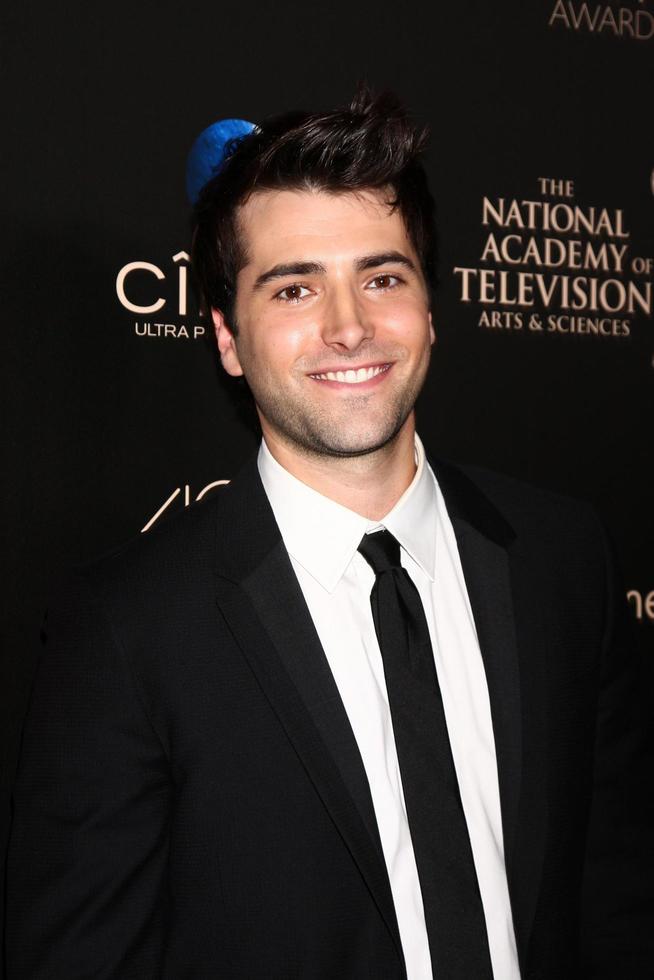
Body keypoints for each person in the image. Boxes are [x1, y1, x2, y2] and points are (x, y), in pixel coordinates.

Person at [5, 88, 652, 979]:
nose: (349, 327)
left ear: (431, 308)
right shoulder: (125, 628)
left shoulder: (563, 558)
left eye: (382, 278)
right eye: (296, 286)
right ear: (228, 338)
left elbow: (617, 897)